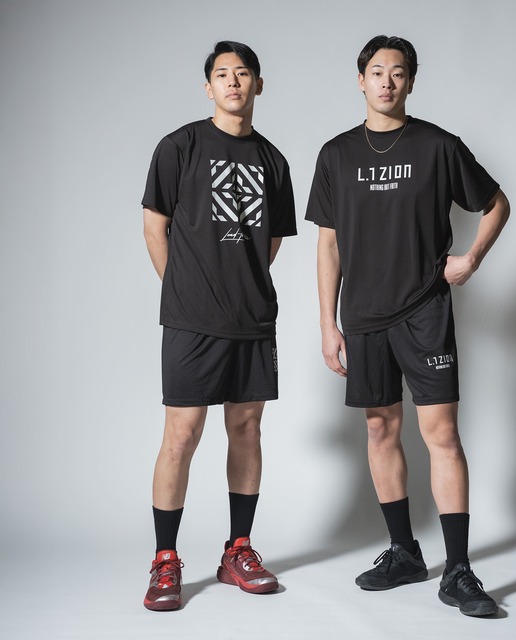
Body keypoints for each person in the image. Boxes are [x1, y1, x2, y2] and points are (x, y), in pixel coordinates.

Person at [305, 35, 509, 617]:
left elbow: (496, 204)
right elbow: (328, 245)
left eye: (398, 72)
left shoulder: (438, 146)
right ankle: (404, 553)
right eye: (377, 71)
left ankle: (459, 570)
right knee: (380, 430)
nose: (387, 81)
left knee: (441, 434)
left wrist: (471, 258)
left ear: (411, 82)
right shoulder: (336, 155)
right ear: (361, 80)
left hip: (425, 310)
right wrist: (327, 323)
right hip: (363, 317)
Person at [141, 41, 296, 611]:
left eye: (243, 73)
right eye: (223, 74)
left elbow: (271, 241)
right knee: (181, 435)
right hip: (191, 321)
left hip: (253, 319)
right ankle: (164, 559)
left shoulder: (274, 161)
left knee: (247, 430)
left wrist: (240, 285)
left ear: (259, 84)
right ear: (208, 87)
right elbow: (153, 226)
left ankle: (238, 550)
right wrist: (184, 290)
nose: (233, 81)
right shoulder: (179, 146)